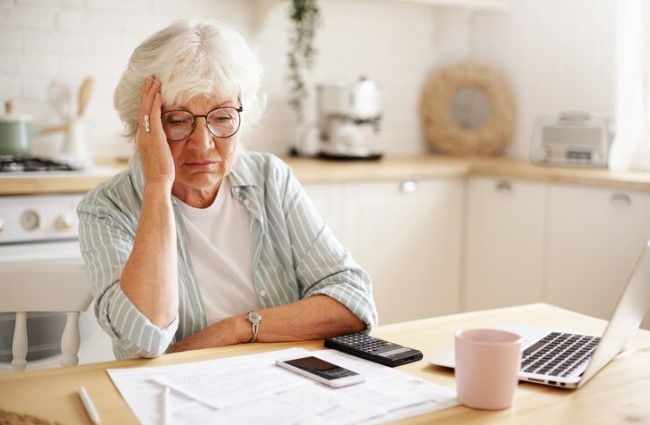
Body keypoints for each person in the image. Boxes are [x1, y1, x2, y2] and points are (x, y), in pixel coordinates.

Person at [77, 18, 378, 359]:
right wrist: (158, 186)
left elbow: (353, 303)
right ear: (143, 125)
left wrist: (237, 329)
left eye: (221, 117)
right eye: (177, 120)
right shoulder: (105, 208)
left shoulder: (270, 179)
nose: (202, 144)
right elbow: (142, 341)